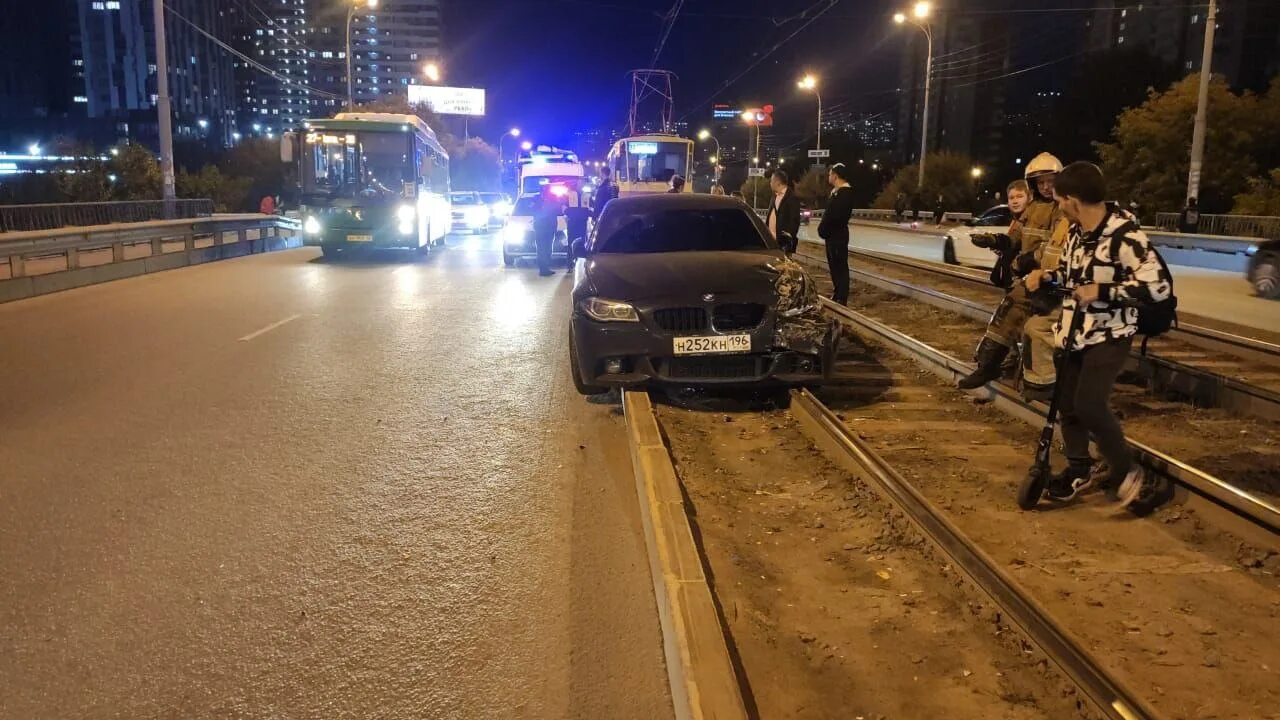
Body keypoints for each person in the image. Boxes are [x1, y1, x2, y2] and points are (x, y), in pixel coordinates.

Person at [1023, 161, 1172, 506]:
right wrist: (1046, 277)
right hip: (1074, 331)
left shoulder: (1125, 235)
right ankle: (1079, 469)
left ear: (1073, 200)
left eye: (1060, 200)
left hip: (1110, 334)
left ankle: (1128, 472)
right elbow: (1071, 275)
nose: (1058, 206)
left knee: (1090, 404)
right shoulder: (1077, 231)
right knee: (1066, 402)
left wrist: (1103, 293)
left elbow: (1158, 286)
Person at [956, 152, 1069, 390]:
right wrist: (994, 240)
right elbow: (1015, 237)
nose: (1046, 187)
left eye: (1051, 181)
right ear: (1034, 185)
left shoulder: (1063, 210)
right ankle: (988, 365)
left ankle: (1000, 369)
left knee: (1016, 310)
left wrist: (1029, 260)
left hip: (1050, 278)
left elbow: (1056, 247)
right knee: (1007, 312)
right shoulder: (1034, 208)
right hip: (1030, 277)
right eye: (1041, 183)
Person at [818, 163, 856, 305]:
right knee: (834, 265)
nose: (829, 176)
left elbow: (835, 216)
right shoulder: (837, 192)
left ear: (835, 175)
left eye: (830, 174)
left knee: (840, 265)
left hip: (837, 235)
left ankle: (841, 296)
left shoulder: (845, 193)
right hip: (832, 235)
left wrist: (825, 228)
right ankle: (837, 292)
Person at [765, 168, 801, 254]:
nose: (770, 183)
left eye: (771, 181)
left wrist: (788, 240)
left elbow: (794, 220)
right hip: (771, 241)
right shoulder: (774, 196)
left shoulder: (792, 197)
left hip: (784, 244)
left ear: (778, 182)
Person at [532, 192, 559, 277]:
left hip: (549, 228)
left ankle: (546, 268)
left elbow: (555, 213)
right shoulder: (537, 201)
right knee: (542, 249)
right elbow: (536, 212)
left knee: (547, 249)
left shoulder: (552, 201)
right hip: (541, 228)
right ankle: (543, 269)